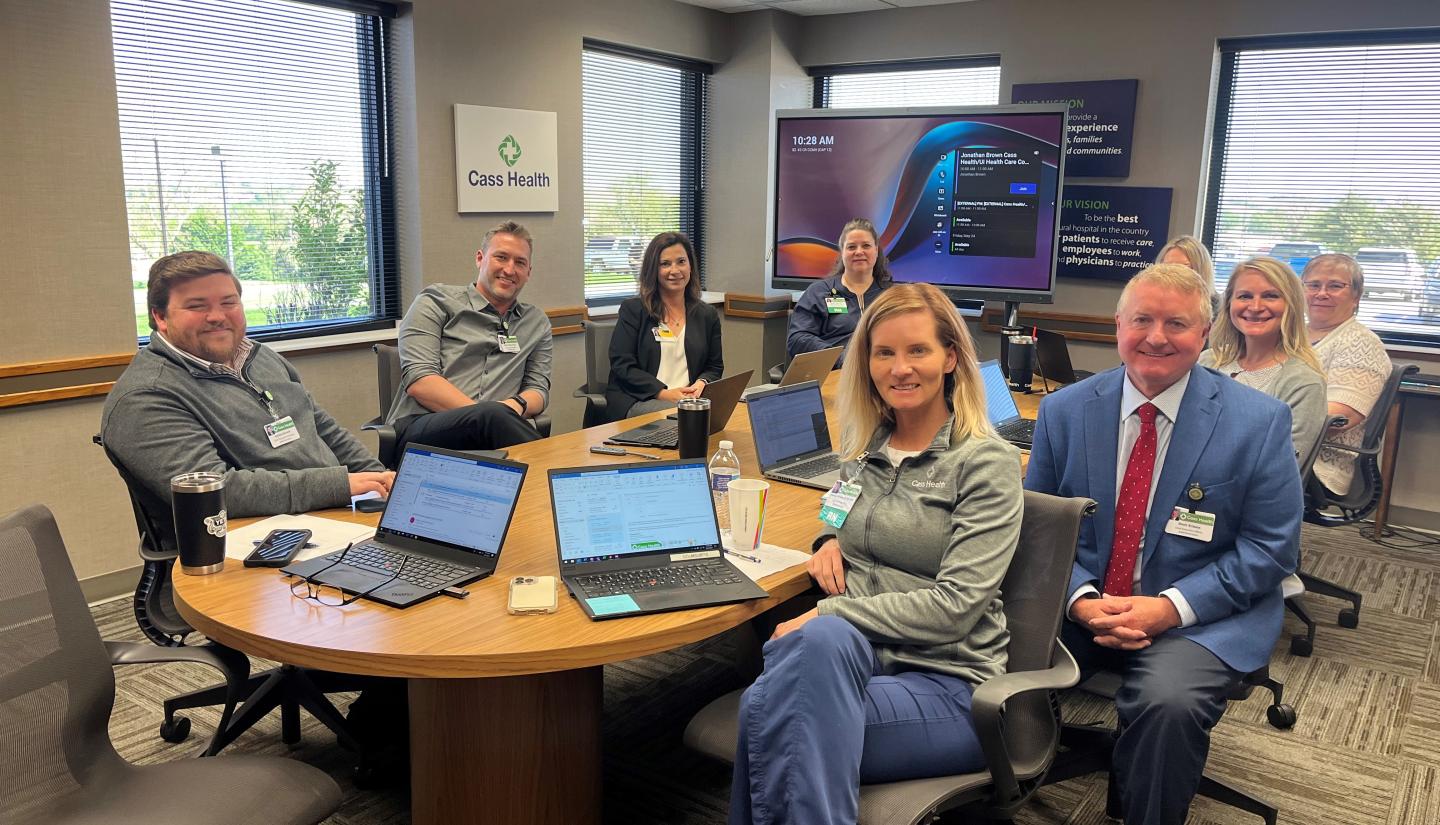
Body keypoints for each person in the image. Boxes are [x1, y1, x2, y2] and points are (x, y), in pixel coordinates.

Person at [730, 283, 1023, 825]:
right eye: (883, 352)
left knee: (767, 707)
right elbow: (835, 517)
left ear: (951, 358)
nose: (899, 368)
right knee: (803, 668)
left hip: (948, 683)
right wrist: (827, 540)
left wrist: (827, 609)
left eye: (918, 350)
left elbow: (956, 605)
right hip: (855, 661)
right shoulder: (865, 450)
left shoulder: (985, 462)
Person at [1024, 263, 1301, 825]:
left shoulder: (1258, 421)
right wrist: (1079, 597)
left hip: (1201, 612)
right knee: (978, 650)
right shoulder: (1064, 410)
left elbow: (1271, 549)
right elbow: (1039, 525)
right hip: (1084, 604)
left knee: (1167, 704)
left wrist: (1168, 608)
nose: (1155, 337)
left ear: (1204, 333)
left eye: (1176, 323)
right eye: (1142, 320)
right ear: (1117, 325)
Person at [102, 251, 394, 540]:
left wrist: (383, 480)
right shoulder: (146, 396)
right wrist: (339, 485)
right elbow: (217, 491)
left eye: (229, 302)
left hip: (338, 516)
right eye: (196, 306)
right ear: (160, 317)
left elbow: (324, 430)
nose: (217, 316)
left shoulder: (261, 357)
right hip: (258, 545)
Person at [386, 220, 552, 451]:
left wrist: (512, 408)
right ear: (480, 258)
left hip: (499, 427)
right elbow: (420, 381)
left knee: (495, 422)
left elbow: (538, 390)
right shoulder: (435, 301)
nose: (509, 269)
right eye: (501, 257)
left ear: (528, 273)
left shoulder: (535, 322)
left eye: (520, 262)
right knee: (495, 420)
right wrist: (485, 415)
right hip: (422, 428)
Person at [1199, 256, 1328, 459]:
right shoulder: (1207, 362)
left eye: (1270, 296)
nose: (1256, 307)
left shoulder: (1303, 382)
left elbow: (1284, 467)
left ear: (1291, 305)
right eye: (1244, 296)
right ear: (1229, 304)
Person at [605, 231, 723, 420]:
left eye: (681, 262)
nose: (675, 270)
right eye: (665, 264)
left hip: (689, 401)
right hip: (640, 398)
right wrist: (664, 393)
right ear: (653, 270)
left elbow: (714, 366)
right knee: (689, 420)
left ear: (690, 266)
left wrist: (701, 383)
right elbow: (623, 365)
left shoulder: (706, 315)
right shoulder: (634, 310)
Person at [1301, 253, 1392, 495]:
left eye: (1335, 286)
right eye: (1313, 285)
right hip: (1275, 447)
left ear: (1356, 296)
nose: (1322, 293)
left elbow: (1338, 418)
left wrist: (1261, 424)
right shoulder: (1290, 336)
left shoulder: (1361, 344)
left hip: (1316, 464)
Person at [786, 217, 892, 366]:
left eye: (866, 245)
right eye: (851, 247)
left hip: (881, 372)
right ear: (842, 252)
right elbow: (797, 339)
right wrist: (840, 358)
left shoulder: (891, 296)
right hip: (834, 373)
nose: (859, 252)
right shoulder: (819, 292)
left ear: (876, 251)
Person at [1157, 234, 1220, 317]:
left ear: (1201, 271)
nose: (1174, 274)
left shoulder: (1218, 312)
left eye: (1183, 268)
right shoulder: (1155, 303)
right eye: (1167, 267)